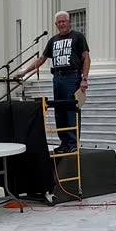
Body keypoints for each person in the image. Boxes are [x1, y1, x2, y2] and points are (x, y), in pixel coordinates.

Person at [17, 11, 91, 154]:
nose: (62, 24)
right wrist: (25, 71)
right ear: (56, 24)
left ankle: (73, 143)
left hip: (72, 77)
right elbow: (41, 59)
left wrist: (85, 78)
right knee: (59, 111)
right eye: (59, 22)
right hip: (57, 78)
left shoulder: (78, 37)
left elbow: (86, 58)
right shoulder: (53, 40)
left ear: (69, 22)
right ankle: (64, 142)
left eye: (64, 21)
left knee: (71, 110)